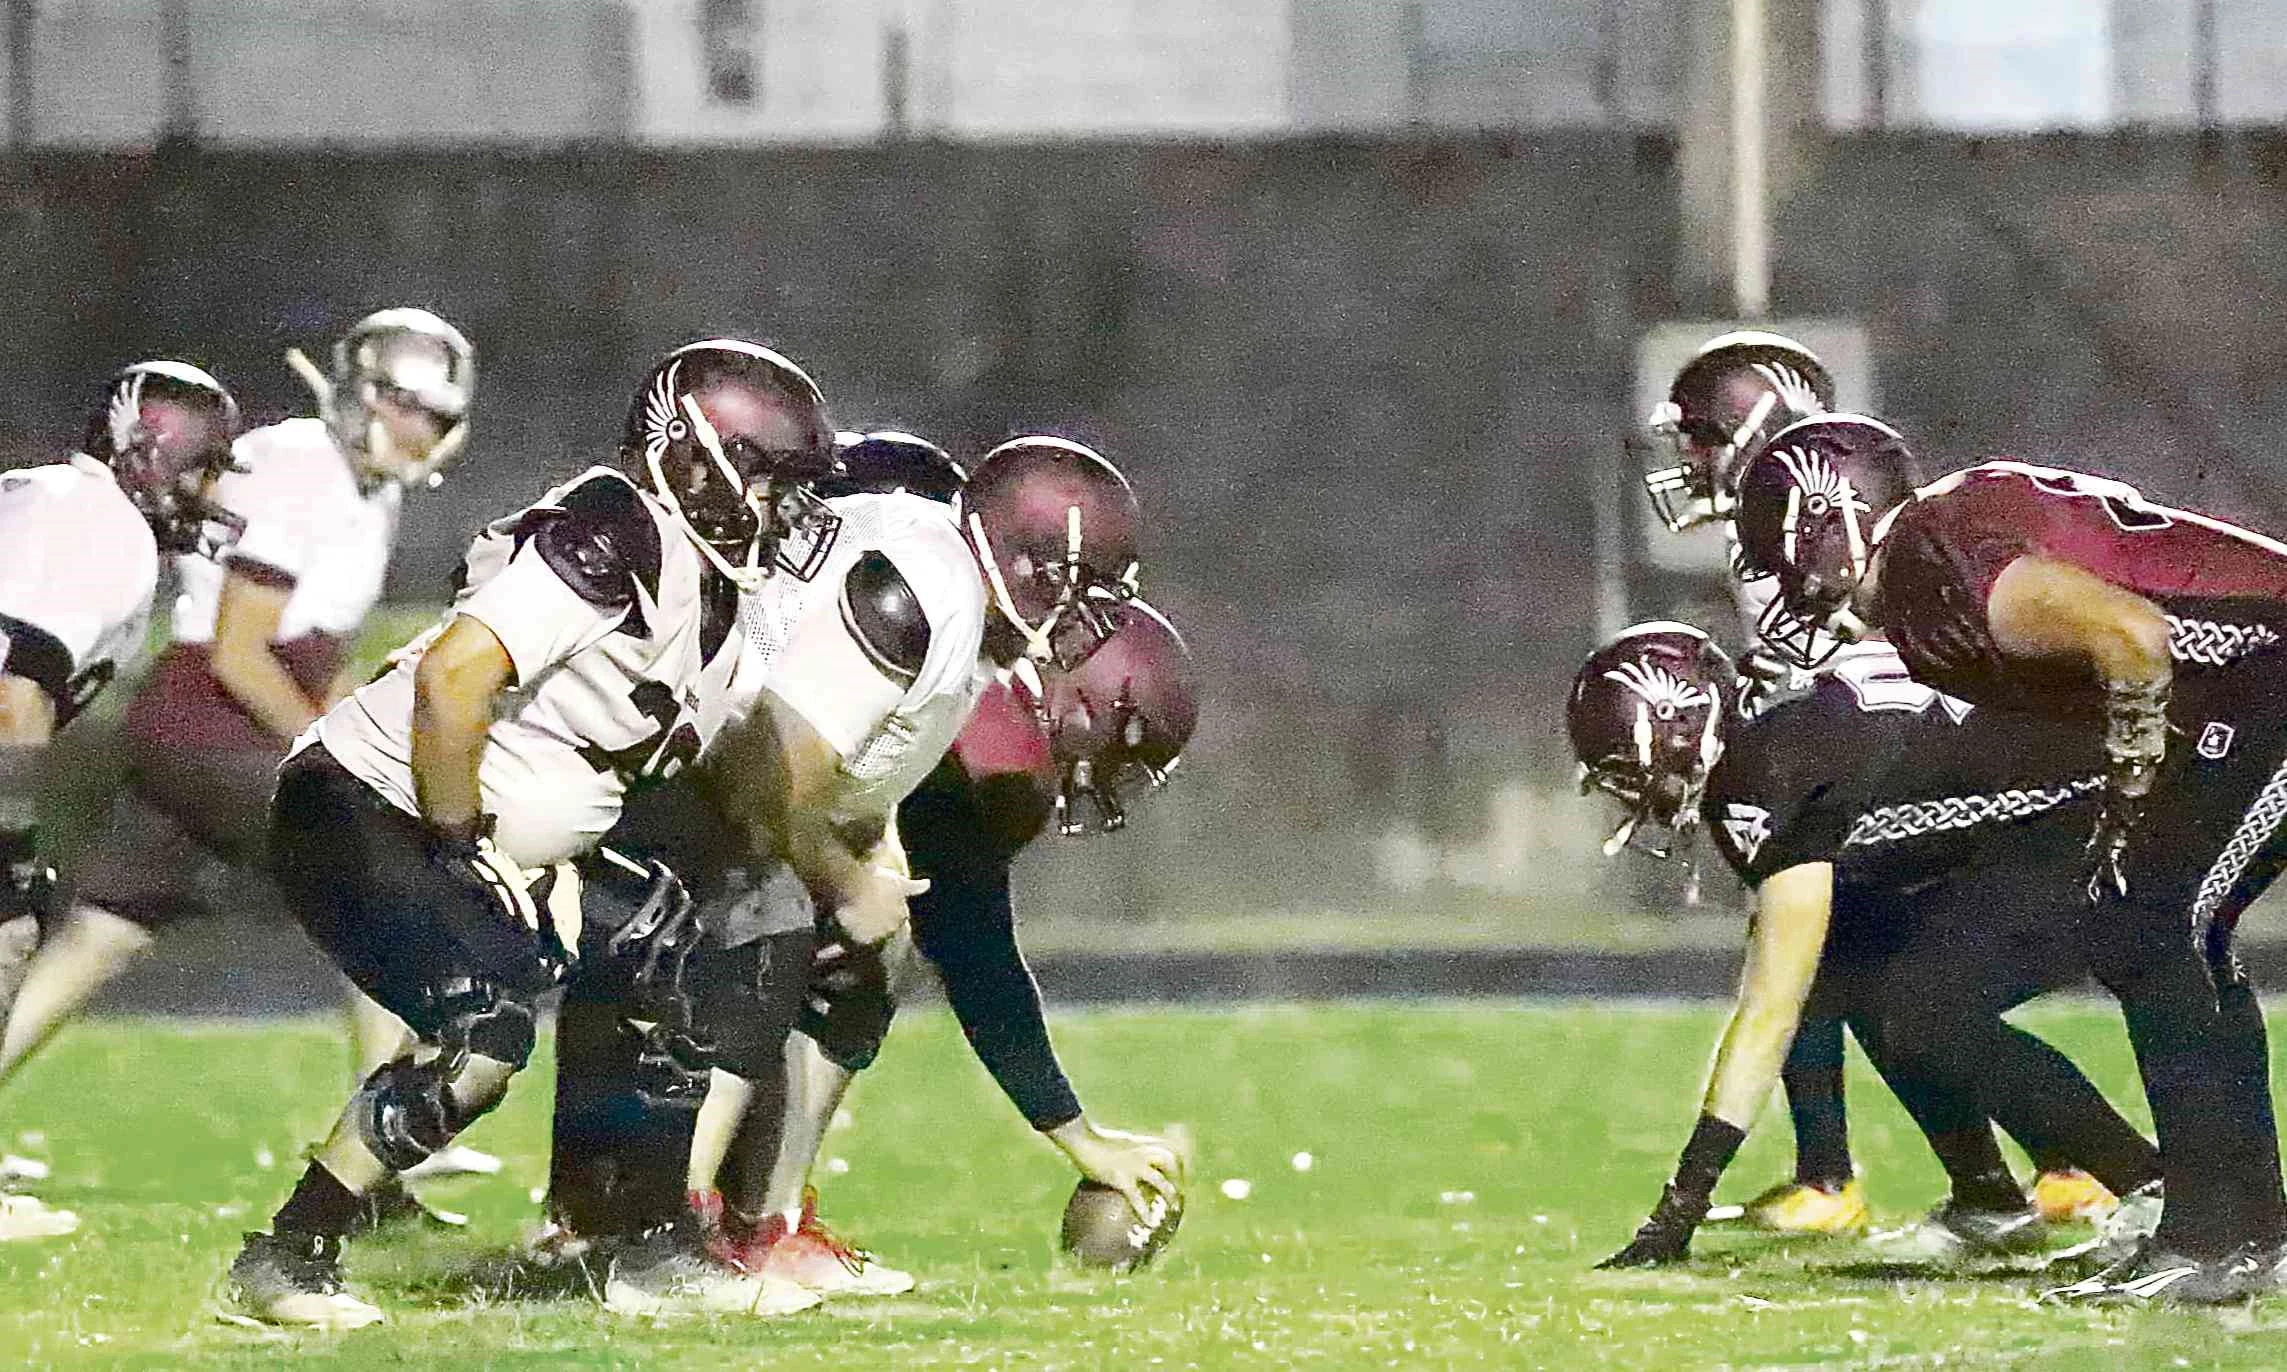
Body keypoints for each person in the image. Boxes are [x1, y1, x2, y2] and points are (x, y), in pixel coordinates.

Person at [227, 338, 842, 1329]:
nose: (787, 509)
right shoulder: (614, 529)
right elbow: (453, 677)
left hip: (484, 822)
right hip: (366, 803)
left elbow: (712, 746)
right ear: (695, 458)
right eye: (773, 482)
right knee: (483, 1035)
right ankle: (286, 1256)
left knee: (669, 939)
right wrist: (464, 841)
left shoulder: (729, 587)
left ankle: (644, 1243)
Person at [1733, 414, 2287, 1302]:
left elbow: (2130, 635)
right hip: (2252, 685)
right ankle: (2234, 1229)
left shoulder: (1929, 564)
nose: (1782, 582)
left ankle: (2218, 1236)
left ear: (1831, 517)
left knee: (2154, 927)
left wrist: (2132, 783)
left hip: (2269, 671)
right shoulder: (1933, 558)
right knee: (2147, 929)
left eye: (1781, 551)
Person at [0, 311, 487, 1216]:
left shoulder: (360, 483)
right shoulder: (300, 468)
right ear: (359, 389)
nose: (418, 428)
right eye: (403, 402)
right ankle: (382, 1161)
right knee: (382, 890)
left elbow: (311, 650)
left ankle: (388, 1148)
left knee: (104, 929)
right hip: (215, 724)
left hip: (193, 727)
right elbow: (240, 651)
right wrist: (329, 751)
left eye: (433, 411)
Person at [1577, 623, 2160, 1270]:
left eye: (1630, 773)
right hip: (2068, 802)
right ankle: (1987, 1200)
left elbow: (1770, 1013)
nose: (1633, 796)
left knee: (1919, 1009)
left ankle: (2154, 1187)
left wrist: (1682, 1201)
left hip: (2110, 816)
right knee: (1859, 955)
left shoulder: (1765, 780)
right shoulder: (1770, 726)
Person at [0, 360, 246, 1240]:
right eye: (206, 464)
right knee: (8, 927)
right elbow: (13, 685)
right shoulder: (96, 526)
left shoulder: (65, 506)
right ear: (155, 453)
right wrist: (10, 834)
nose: (213, 489)